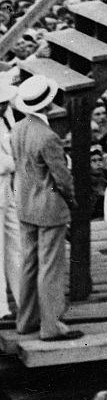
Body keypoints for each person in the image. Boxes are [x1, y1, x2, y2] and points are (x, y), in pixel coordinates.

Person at [9, 75, 81, 342]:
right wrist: (72, 199)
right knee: (50, 266)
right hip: (49, 207)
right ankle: (51, 326)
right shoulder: (49, 137)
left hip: (25, 202)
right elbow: (62, 178)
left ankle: (26, 320)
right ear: (49, 105)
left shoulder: (17, 128)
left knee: (30, 262)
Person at [0, 84, 20, 319]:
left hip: (8, 189)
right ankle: (1, 308)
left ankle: (24, 299)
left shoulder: (7, 117)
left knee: (16, 244)